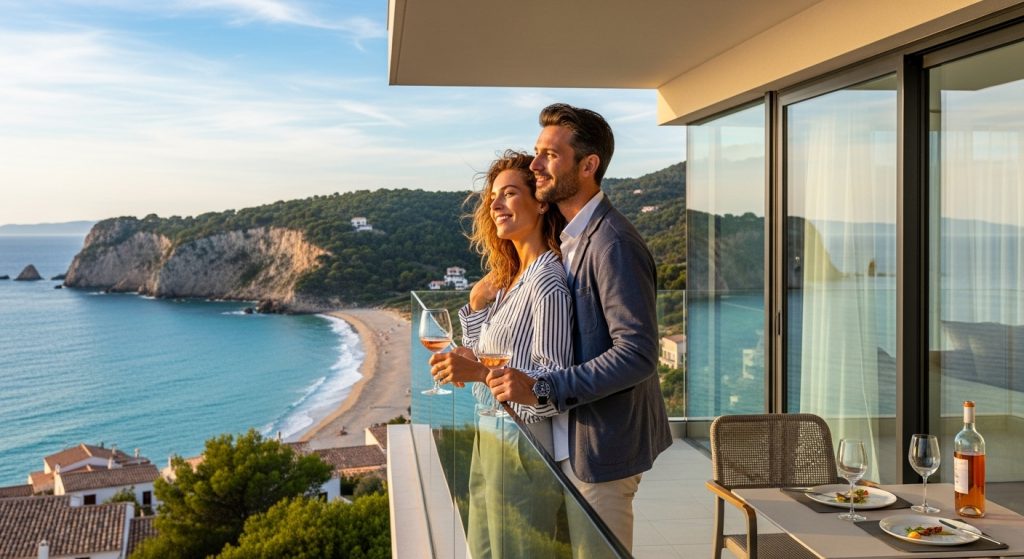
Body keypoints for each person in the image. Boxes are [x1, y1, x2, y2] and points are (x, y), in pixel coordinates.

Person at [485, 103, 672, 553]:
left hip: (602, 450)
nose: (535, 165)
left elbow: (637, 354)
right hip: (572, 442)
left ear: (588, 166)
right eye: (537, 153)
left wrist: (542, 388)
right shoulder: (572, 239)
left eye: (550, 155)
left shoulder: (612, 242)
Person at [428, 149, 570, 558]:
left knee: (517, 551)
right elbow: (484, 355)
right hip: (490, 427)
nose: (495, 204)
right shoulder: (510, 279)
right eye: (493, 197)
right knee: (485, 549)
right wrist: (476, 303)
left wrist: (475, 372)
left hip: (521, 438)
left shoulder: (546, 281)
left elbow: (551, 388)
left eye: (509, 193)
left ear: (540, 202)